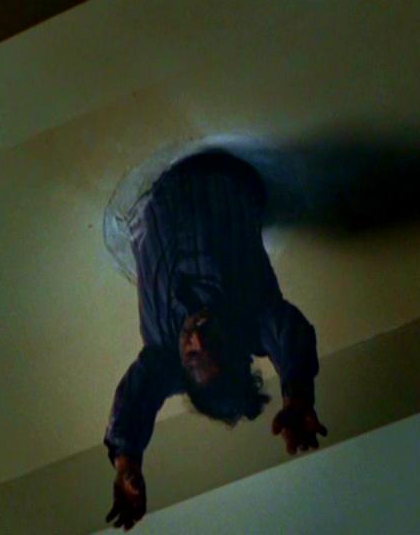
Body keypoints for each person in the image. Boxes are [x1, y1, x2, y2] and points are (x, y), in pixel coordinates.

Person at [104, 150, 328, 531]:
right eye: (214, 346)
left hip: (156, 196)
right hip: (219, 172)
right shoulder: (252, 313)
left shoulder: (164, 351)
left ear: (181, 368)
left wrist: (127, 461)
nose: (196, 338)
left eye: (193, 356)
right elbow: (287, 333)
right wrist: (298, 394)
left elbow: (138, 397)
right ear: (237, 346)